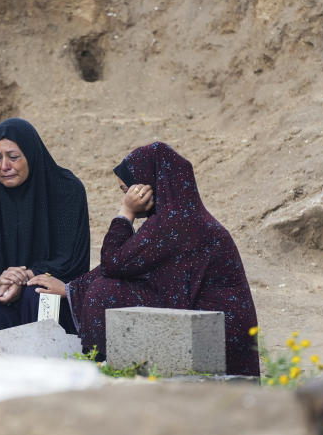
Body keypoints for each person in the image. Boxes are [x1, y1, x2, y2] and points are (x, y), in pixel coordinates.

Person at [29, 142, 260, 376]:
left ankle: (103, 371)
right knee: (109, 287)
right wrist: (70, 289)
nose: (125, 196)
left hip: (219, 339)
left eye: (126, 190)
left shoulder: (174, 222)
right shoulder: (178, 215)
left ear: (147, 187)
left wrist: (125, 213)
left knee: (104, 293)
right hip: (213, 329)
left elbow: (113, 262)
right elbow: (126, 263)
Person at [0, 118, 90, 352]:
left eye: (13, 157)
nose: (4, 166)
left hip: (50, 288)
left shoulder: (66, 190)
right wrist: (2, 279)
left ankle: (49, 371)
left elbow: (72, 258)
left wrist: (27, 275)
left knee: (37, 295)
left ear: (31, 154)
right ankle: (5, 379)